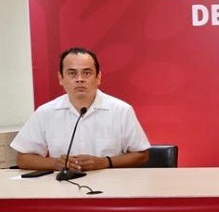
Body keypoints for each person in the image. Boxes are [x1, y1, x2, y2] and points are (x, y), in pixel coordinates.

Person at [11, 47, 150, 171]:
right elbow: (23, 158)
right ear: (60, 78)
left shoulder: (121, 110)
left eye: (87, 73)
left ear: (98, 77)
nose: (79, 79)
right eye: (72, 73)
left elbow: (142, 155)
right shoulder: (45, 112)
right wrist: (55, 163)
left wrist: (105, 162)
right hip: (63, 186)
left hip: (111, 186)